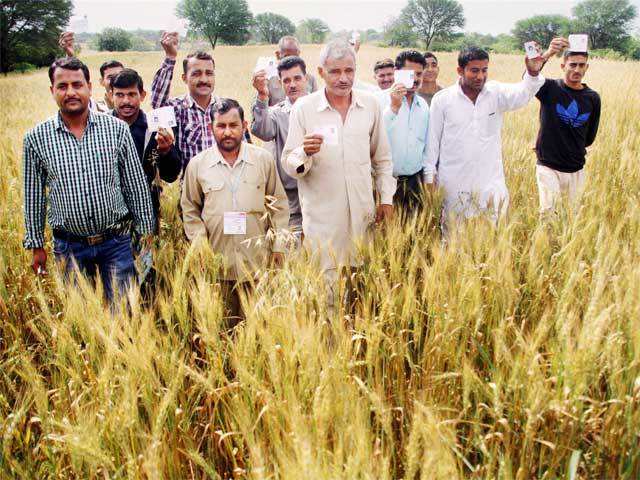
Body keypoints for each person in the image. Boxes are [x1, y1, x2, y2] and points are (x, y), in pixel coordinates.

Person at [23, 57, 154, 302]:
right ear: (52, 91)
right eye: (62, 86)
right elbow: (33, 197)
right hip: (69, 247)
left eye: (77, 84)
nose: (70, 92)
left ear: (90, 88)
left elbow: (135, 186)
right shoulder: (36, 138)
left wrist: (146, 233)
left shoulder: (117, 129)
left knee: (124, 314)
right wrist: (36, 244)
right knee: (80, 321)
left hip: (116, 242)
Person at [281, 40, 396, 287]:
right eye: (335, 71)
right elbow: (288, 162)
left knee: (362, 290)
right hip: (323, 224)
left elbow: (383, 160)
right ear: (321, 72)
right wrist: (303, 152)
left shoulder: (371, 105)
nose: (343, 78)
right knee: (327, 294)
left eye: (349, 71)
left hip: (364, 221)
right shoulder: (304, 108)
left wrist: (386, 199)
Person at [181, 99, 289, 323]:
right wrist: (200, 245)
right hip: (218, 267)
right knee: (223, 328)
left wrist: (278, 246)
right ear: (212, 128)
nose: (227, 132)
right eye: (221, 126)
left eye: (233, 125)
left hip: (258, 265)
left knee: (259, 328)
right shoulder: (198, 165)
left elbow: (278, 205)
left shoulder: (263, 160)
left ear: (245, 125)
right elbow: (190, 209)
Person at [424, 46, 545, 231]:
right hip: (454, 188)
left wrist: (532, 71)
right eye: (474, 70)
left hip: (490, 186)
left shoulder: (495, 94)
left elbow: (523, 94)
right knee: (454, 244)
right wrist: (430, 181)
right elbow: (432, 144)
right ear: (460, 70)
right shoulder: (443, 100)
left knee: (491, 244)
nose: (480, 76)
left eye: (484, 70)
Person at [534, 40, 601, 213]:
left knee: (573, 218)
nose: (577, 70)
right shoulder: (549, 88)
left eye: (581, 65)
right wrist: (547, 54)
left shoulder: (593, 98)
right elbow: (529, 79)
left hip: (576, 167)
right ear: (563, 65)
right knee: (549, 214)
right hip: (548, 166)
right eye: (572, 65)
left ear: (587, 67)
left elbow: (589, 136)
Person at [251, 56, 309, 236]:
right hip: (291, 199)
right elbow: (263, 131)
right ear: (280, 83)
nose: (292, 85)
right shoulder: (276, 113)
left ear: (306, 78)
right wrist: (262, 96)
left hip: (321, 195)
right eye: (287, 80)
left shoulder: (321, 108)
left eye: (297, 78)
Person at [151, 31, 219, 169]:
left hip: (225, 185)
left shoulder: (225, 108)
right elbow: (157, 104)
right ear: (184, 78)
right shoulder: (178, 108)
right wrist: (170, 56)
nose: (204, 79)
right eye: (196, 74)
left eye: (209, 73)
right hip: (192, 186)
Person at [379, 50, 429, 213]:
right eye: (410, 74)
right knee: (384, 234)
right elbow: (375, 137)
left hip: (416, 182)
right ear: (397, 73)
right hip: (386, 182)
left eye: (419, 74)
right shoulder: (379, 101)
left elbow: (426, 145)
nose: (415, 79)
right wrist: (393, 107)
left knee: (415, 234)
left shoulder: (424, 106)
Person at [59, 31, 123, 112]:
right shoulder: (96, 108)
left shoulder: (133, 106)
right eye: (110, 77)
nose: (116, 80)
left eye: (120, 76)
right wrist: (71, 57)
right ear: (102, 82)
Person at [267, 36, 319, 106]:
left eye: (295, 57)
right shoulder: (268, 81)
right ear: (278, 55)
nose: (291, 62)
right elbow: (260, 111)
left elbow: (316, 104)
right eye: (287, 57)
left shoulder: (310, 79)